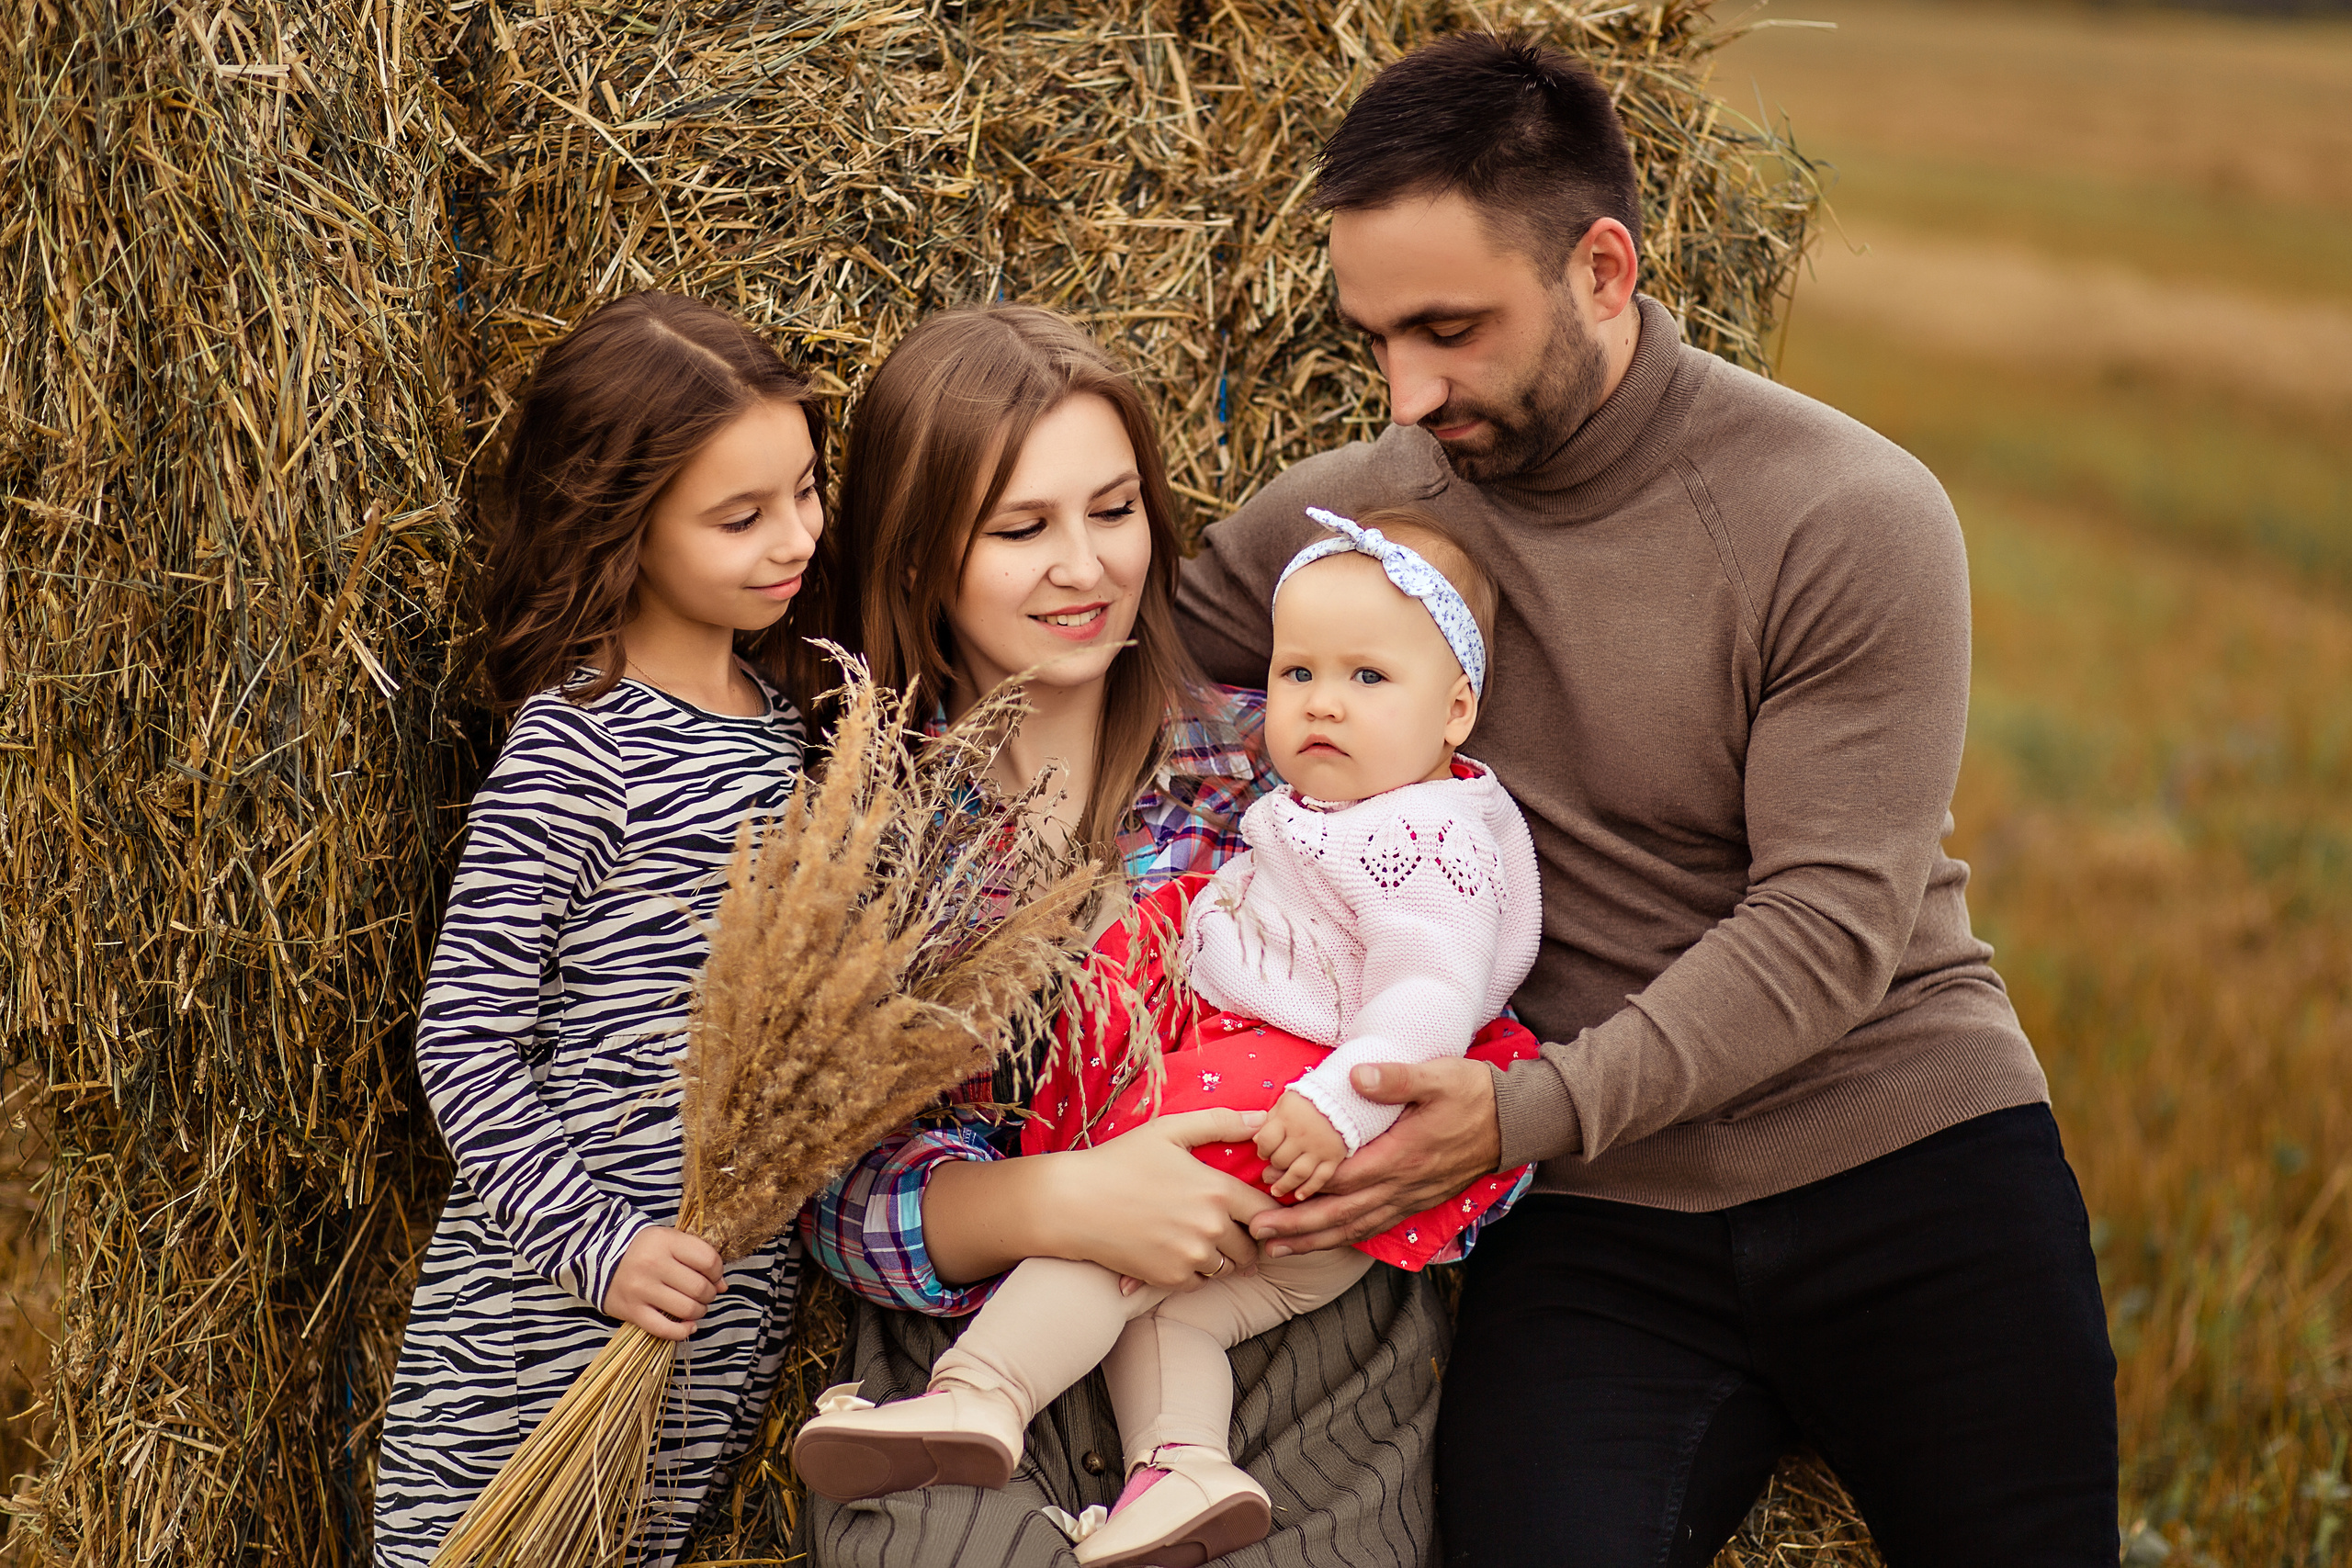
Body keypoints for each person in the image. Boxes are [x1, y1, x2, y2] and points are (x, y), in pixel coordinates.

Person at [1176, 33, 2120, 1568]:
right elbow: (1101, 655)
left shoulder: (1846, 514)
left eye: (1451, 330)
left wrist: (1515, 1116)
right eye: (1376, 341)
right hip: (1603, 1231)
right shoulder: (1355, 529)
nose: (1411, 392)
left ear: (1603, 270)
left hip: (1908, 1162)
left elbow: (1826, 929)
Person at [792, 306, 1454, 1568]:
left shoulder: (1283, 770)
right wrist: (1071, 1198)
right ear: (919, 556)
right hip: (975, 1352)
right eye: (1022, 529)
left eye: (1113, 512)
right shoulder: (861, 829)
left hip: (1277, 1323)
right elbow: (824, 1193)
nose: (1086, 567)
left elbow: (1444, 967)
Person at [373, 293, 828, 1566]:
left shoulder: (792, 727)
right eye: (739, 518)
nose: (793, 536)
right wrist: (602, 1246)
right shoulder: (575, 747)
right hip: (539, 1322)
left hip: (712, 1317)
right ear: (618, 520)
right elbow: (464, 1045)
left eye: (804, 489)